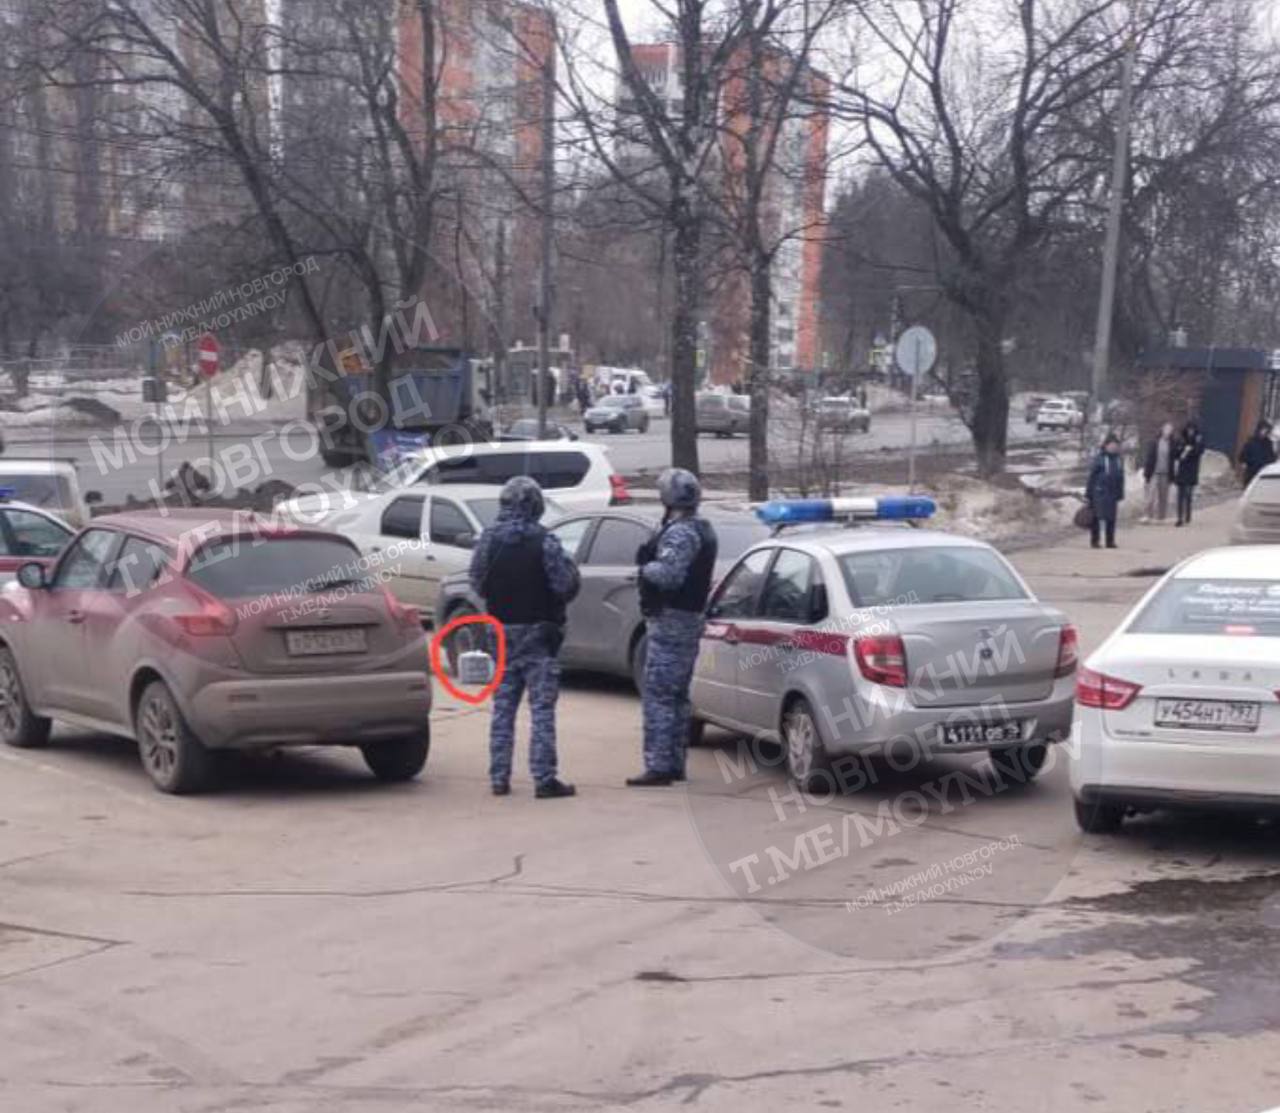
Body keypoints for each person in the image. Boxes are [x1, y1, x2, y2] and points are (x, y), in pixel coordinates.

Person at [469, 476, 580, 799]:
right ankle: (544, 778)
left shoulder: (488, 540)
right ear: (534, 505)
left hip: (501, 634)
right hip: (538, 635)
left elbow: (477, 582)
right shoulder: (545, 541)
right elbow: (563, 586)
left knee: (503, 708)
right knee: (542, 709)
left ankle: (499, 777)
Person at [627, 467, 718, 787]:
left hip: (672, 621)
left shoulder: (680, 533)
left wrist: (644, 567)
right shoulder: (698, 528)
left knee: (660, 695)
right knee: (676, 696)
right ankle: (674, 762)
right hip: (685, 618)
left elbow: (669, 575)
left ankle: (659, 765)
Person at [1086, 432, 1125, 549]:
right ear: (1106, 445)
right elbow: (1092, 476)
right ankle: (1095, 541)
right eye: (1111, 445)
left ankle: (1110, 541)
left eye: (1115, 445)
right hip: (1099, 492)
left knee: (1111, 518)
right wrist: (1089, 493)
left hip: (1112, 492)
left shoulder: (1118, 460)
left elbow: (1121, 477)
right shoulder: (1100, 459)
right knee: (1097, 517)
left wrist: (1120, 492)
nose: (1113, 447)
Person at [1141, 422, 1176, 522]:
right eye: (1166, 429)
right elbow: (1149, 458)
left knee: (1163, 496)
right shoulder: (1155, 442)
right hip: (1154, 472)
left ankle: (1161, 517)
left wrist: (1172, 476)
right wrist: (1147, 474)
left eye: (1170, 430)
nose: (1168, 432)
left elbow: (1173, 459)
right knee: (1150, 495)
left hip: (1165, 473)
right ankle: (1147, 515)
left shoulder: (1172, 444)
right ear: (1162, 430)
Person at [1174, 419, 1206, 526]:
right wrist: (1183, 450)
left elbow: (1200, 451)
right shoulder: (1181, 439)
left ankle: (1187, 515)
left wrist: (1189, 451)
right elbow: (1176, 453)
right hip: (1182, 470)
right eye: (1188, 429)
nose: (1190, 432)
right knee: (1180, 495)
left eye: (1192, 430)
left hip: (1192, 470)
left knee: (1188, 494)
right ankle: (1179, 517)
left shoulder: (1198, 439)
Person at [1239, 419, 1276, 486]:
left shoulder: (1268, 443)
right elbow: (1242, 457)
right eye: (1263, 429)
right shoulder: (1251, 442)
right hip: (1251, 473)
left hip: (1263, 473)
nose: (1264, 432)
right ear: (1259, 429)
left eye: (1267, 430)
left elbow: (1272, 458)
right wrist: (1244, 464)